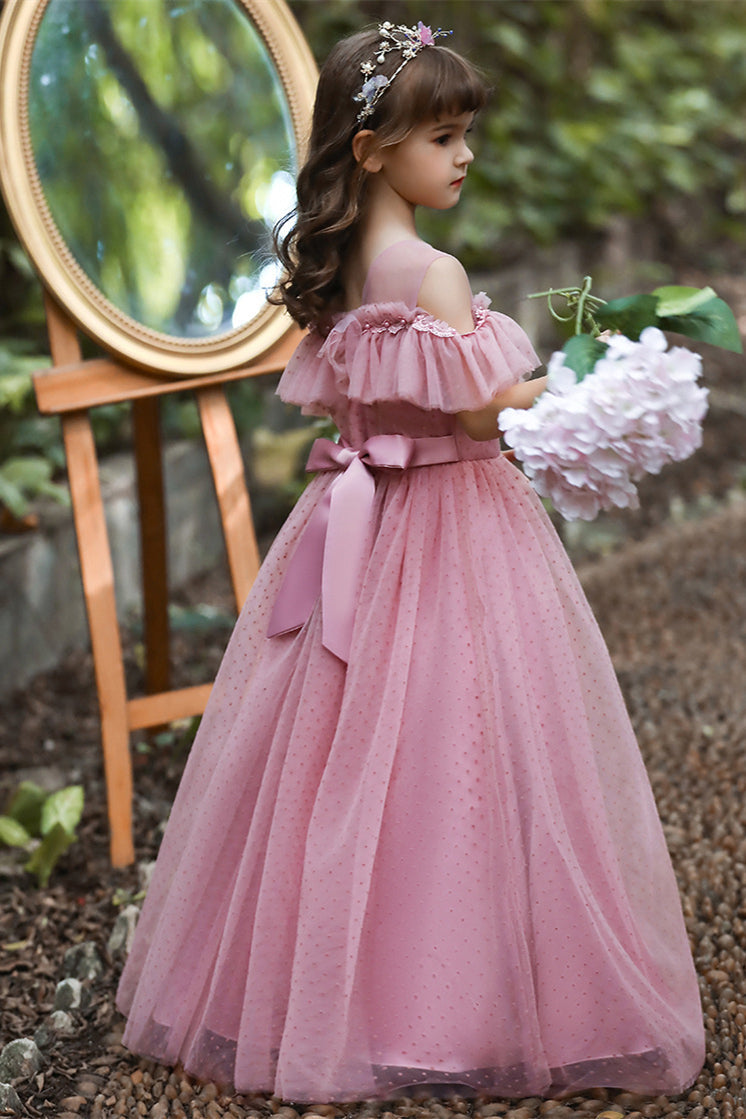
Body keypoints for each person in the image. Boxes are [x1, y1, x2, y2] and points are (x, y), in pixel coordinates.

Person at [116, 22, 704, 1104]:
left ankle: (319, 989)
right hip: (452, 521)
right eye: (441, 136)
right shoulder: (433, 273)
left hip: (357, 526)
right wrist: (585, 382)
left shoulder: (339, 270)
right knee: (469, 749)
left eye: (465, 132)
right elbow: (480, 409)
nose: (463, 156)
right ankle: (456, 1001)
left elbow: (365, 397)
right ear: (373, 145)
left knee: (337, 757)